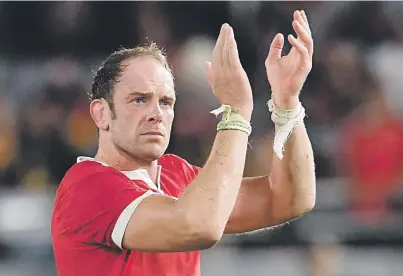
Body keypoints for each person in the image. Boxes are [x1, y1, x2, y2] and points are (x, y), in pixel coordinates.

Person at [51, 9, 316, 276]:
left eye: (165, 102)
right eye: (139, 99)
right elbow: (197, 225)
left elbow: (290, 199)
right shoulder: (87, 186)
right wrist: (235, 114)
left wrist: (287, 104)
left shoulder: (176, 175)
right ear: (101, 113)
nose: (156, 114)